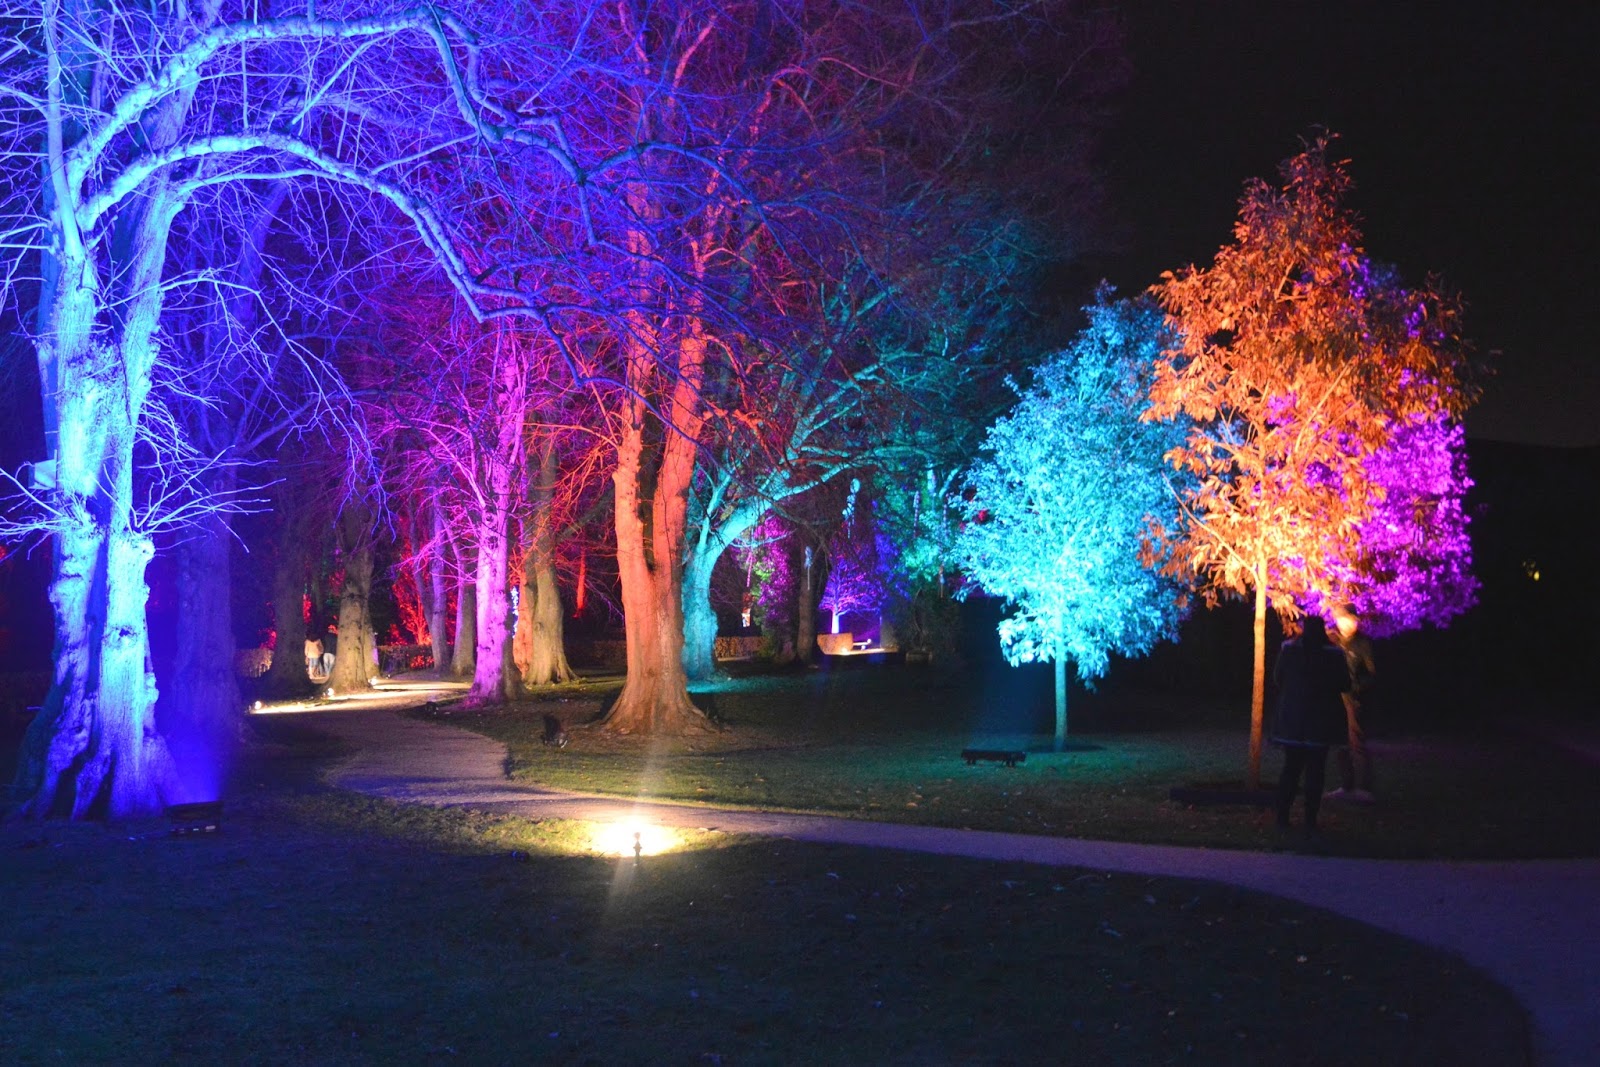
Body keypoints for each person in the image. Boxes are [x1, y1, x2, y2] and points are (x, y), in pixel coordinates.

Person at [1271, 615, 1351, 836]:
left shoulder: (1289, 650)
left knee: (1291, 769)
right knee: (1316, 771)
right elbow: (1345, 683)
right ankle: (1310, 819)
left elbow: (1278, 678)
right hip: (1320, 720)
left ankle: (1282, 817)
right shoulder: (1333, 654)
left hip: (1293, 720)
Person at [1328, 605, 1376, 801]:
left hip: (1352, 700)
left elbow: (1372, 673)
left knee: (1356, 742)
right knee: (1340, 743)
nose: (1348, 623)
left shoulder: (1362, 644)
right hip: (1333, 699)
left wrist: (1356, 688)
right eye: (1343, 619)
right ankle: (1346, 786)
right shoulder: (1333, 641)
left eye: (1351, 619)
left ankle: (1364, 788)